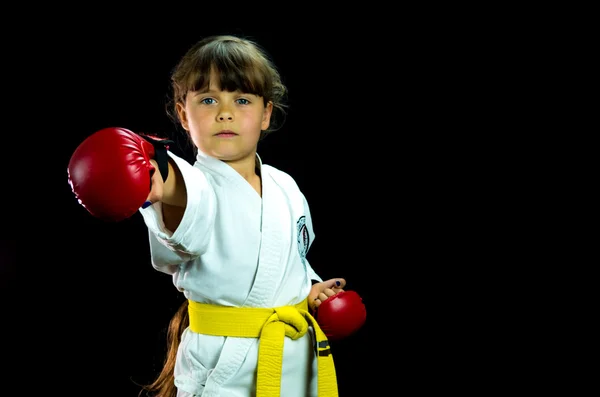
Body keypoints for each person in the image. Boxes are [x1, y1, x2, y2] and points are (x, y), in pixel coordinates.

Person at [68, 34, 366, 397]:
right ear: (183, 113)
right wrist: (150, 170)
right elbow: (175, 188)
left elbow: (293, 261)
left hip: (296, 366)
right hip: (224, 374)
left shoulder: (285, 186)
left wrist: (310, 292)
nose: (225, 112)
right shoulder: (195, 185)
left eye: (241, 100)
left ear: (265, 114)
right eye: (208, 99)